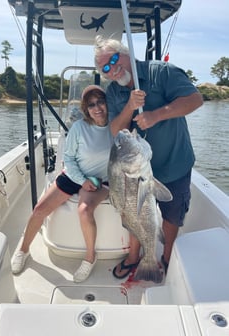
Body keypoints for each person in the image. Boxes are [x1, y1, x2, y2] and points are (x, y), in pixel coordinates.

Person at [94, 35, 203, 279]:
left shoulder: (161, 72)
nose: (112, 69)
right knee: (135, 213)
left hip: (173, 164)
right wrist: (130, 106)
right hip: (136, 172)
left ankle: (164, 257)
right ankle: (135, 258)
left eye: (114, 59)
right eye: (106, 68)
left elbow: (195, 100)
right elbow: (115, 130)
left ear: (125, 53)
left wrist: (156, 115)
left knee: (172, 216)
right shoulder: (113, 91)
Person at [11, 85, 113, 283]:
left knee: (84, 210)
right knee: (40, 209)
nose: (97, 107)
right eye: (91, 104)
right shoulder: (79, 127)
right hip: (75, 175)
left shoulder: (116, 126)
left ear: (107, 103)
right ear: (86, 109)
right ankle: (23, 250)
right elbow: (69, 158)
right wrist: (81, 180)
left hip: (100, 180)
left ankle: (90, 258)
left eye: (100, 101)